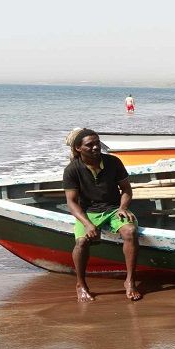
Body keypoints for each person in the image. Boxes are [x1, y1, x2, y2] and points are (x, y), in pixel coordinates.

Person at [63, 129, 141, 302]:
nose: (95, 147)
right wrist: (88, 224)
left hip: (113, 209)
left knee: (130, 232)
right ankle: (81, 284)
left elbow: (126, 189)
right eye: (89, 145)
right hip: (88, 212)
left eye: (97, 143)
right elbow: (72, 202)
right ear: (78, 148)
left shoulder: (113, 162)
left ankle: (130, 281)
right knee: (81, 242)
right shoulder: (72, 170)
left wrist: (123, 207)